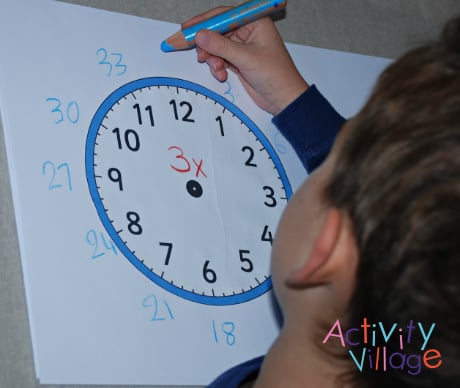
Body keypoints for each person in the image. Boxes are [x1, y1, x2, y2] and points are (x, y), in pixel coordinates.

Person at [177, 8, 460, 387]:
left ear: (324, 252)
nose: (329, 153)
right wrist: (295, 102)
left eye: (338, 156)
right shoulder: (407, 346)